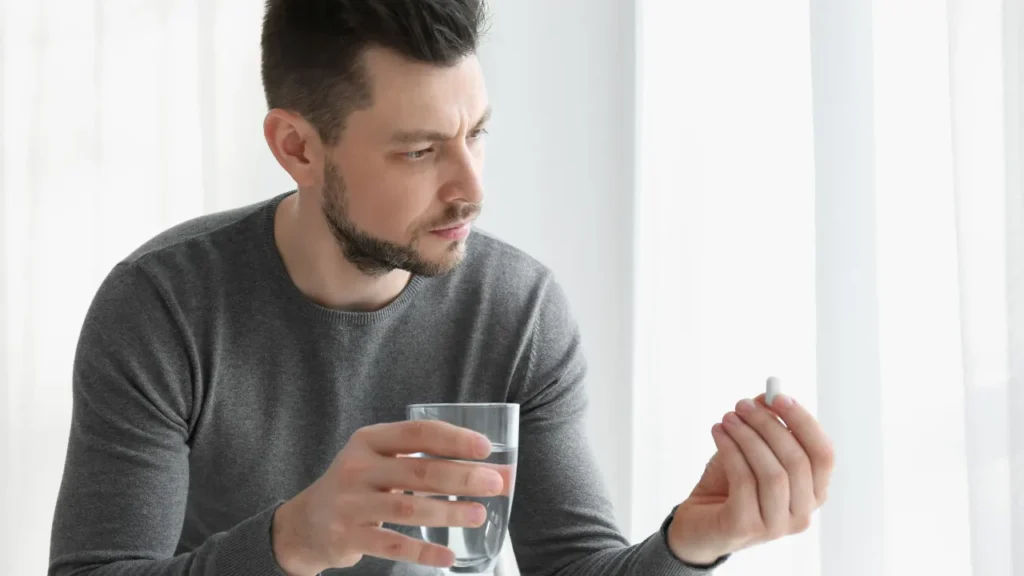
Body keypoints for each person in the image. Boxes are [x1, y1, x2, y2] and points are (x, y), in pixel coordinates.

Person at [48, 1, 835, 575]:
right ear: (297, 147)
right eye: (421, 151)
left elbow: (575, 568)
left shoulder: (518, 312)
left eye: (477, 134)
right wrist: (295, 537)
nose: (471, 189)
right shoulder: (163, 309)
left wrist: (690, 542)